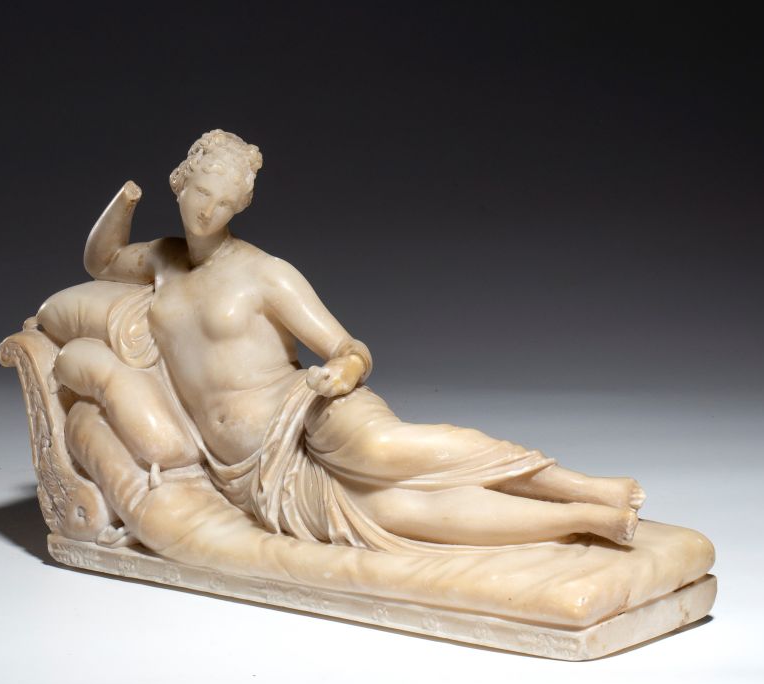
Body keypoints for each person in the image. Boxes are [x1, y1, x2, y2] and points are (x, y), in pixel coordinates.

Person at [55, 130, 644, 553]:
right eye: (202, 193)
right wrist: (126, 200)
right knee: (393, 511)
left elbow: (350, 348)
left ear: (239, 208)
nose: (208, 211)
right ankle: (587, 520)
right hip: (251, 471)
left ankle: (586, 487)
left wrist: (341, 373)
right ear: (180, 184)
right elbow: (100, 260)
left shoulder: (266, 274)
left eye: (225, 203)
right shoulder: (161, 261)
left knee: (386, 452)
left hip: (307, 410)